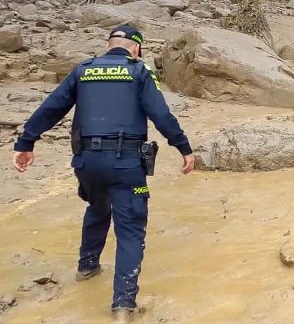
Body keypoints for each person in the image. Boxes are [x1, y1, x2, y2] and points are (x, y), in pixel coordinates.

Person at [12, 26, 196, 319]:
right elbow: (161, 114)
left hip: (87, 163)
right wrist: (184, 148)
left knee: (98, 208)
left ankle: (87, 268)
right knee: (131, 231)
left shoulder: (83, 70)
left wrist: (25, 142)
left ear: (109, 45)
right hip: (125, 164)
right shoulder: (138, 71)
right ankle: (123, 305)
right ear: (136, 48)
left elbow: (51, 108)